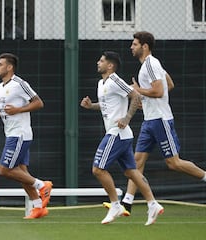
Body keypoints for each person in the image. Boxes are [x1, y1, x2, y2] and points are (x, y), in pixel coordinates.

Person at [114, 31, 206, 214]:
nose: (131, 47)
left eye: (134, 44)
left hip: (161, 120)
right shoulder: (150, 66)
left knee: (174, 163)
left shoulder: (150, 64)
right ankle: (127, 203)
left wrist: (139, 90)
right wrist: (146, 100)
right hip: (149, 121)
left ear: (144, 46)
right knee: (137, 161)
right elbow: (168, 84)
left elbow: (160, 92)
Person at [80, 51, 163, 225]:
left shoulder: (115, 80)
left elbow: (136, 96)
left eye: (101, 61)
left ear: (110, 65)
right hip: (121, 135)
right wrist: (91, 106)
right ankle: (153, 203)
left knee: (98, 169)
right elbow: (106, 106)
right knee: (131, 172)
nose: (98, 62)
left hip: (117, 133)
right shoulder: (101, 83)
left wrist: (126, 118)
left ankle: (116, 205)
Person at [0, 53, 53, 219]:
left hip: (20, 134)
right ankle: (38, 207)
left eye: (0, 64)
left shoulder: (19, 84)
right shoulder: (0, 87)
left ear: (9, 67)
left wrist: (18, 110)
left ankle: (42, 185)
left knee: (5, 169)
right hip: (11, 134)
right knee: (22, 172)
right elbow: (1, 110)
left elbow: (38, 102)